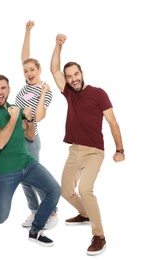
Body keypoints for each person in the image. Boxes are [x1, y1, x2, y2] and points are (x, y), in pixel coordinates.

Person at [50, 34, 125, 255]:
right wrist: (58, 46)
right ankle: (84, 213)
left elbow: (113, 122)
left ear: (82, 74)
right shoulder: (69, 94)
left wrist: (120, 150)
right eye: (69, 76)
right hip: (74, 150)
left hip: (94, 152)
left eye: (76, 74)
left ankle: (99, 235)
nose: (73, 79)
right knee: (65, 190)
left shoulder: (98, 94)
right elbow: (54, 69)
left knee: (85, 188)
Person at [0, 74, 61, 247]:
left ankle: (35, 230)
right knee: (0, 216)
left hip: (27, 163)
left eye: (3, 88)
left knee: (55, 190)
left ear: (9, 90)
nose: (0, 92)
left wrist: (29, 119)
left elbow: (31, 136)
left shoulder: (15, 109)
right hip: (6, 170)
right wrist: (14, 118)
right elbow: (0, 142)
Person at [15, 20, 58, 229]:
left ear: (39, 69)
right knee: (22, 178)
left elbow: (39, 117)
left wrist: (41, 94)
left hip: (30, 140)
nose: (29, 73)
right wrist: (28, 31)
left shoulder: (46, 91)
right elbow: (25, 56)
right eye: (26, 71)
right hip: (16, 139)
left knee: (34, 176)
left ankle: (51, 211)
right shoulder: (26, 85)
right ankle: (34, 211)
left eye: (32, 69)